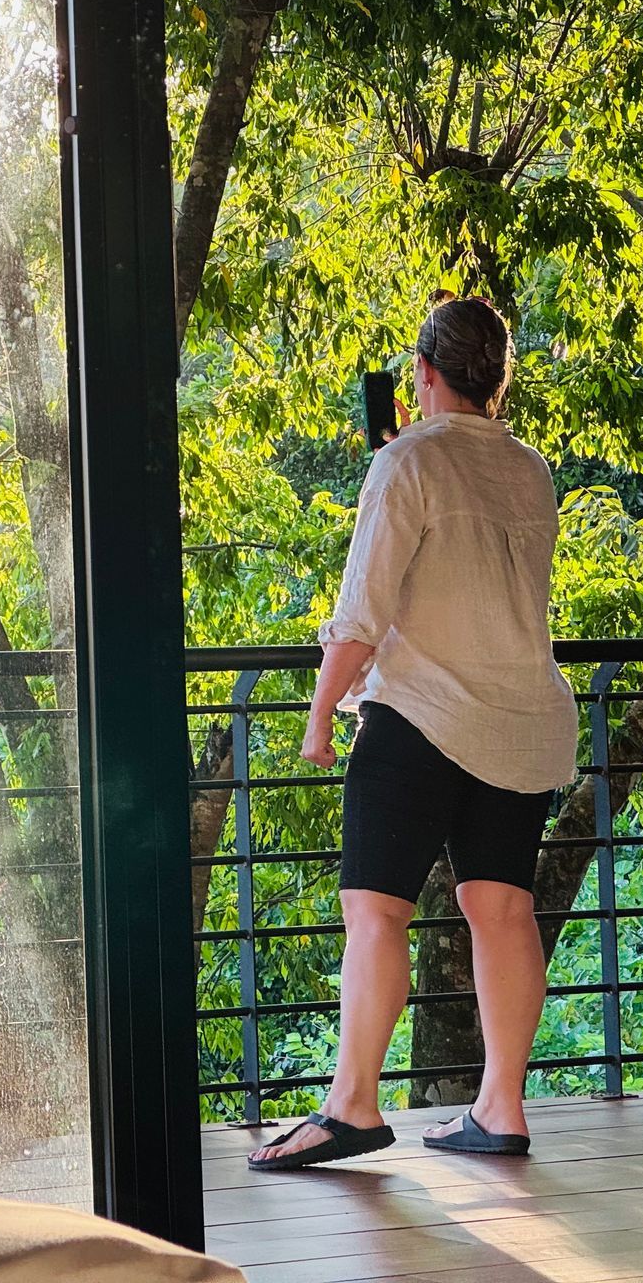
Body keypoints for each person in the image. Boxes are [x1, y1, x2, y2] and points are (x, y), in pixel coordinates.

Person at [247, 294, 577, 1171]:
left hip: (421, 713)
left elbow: (363, 613)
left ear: (423, 373)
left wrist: (321, 717)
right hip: (520, 717)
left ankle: (353, 1106)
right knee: (501, 907)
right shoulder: (530, 468)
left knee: (375, 911)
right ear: (495, 379)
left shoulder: (404, 463)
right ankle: (500, 1109)